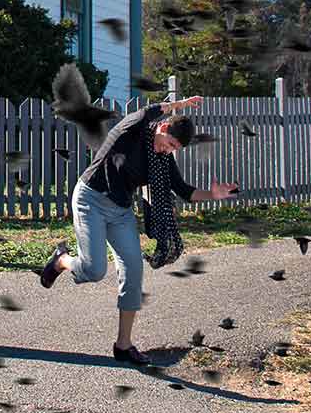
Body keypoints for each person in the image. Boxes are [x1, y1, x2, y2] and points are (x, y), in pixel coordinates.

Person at [36, 95, 238, 365]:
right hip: (90, 200)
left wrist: (213, 194)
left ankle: (123, 345)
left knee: (133, 271)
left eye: (175, 148)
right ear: (163, 128)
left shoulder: (161, 160)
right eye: (170, 144)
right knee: (94, 270)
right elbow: (143, 113)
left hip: (120, 211)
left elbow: (185, 191)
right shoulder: (129, 133)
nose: (169, 151)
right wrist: (175, 106)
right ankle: (61, 259)